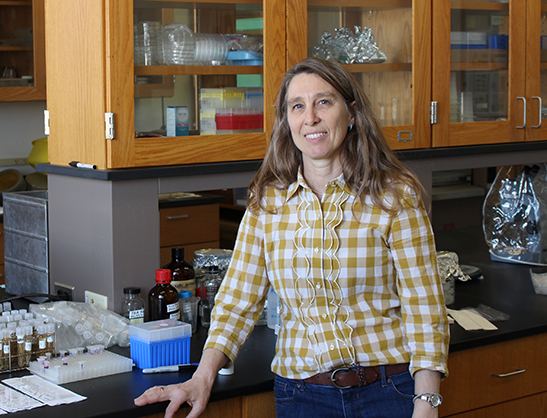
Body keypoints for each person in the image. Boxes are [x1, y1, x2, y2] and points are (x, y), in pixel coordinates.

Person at [134, 58, 449, 418]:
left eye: (324, 102)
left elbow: (424, 308)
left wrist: (426, 404)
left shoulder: (393, 195)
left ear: (352, 114)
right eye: (297, 106)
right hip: (303, 398)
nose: (310, 117)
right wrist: (202, 377)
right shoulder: (267, 201)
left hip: (388, 391)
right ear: (287, 121)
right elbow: (237, 300)